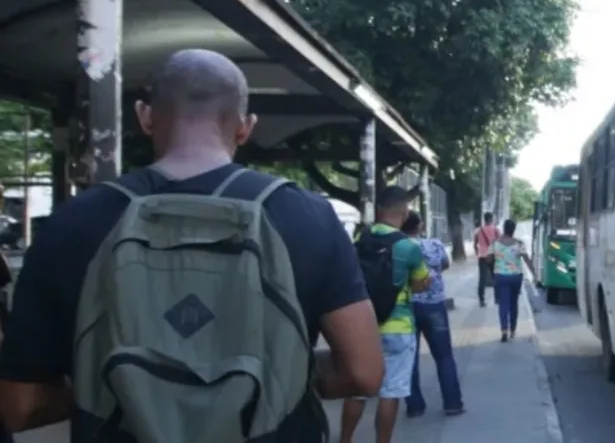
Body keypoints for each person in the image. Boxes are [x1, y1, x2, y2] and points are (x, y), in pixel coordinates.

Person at [0, 49, 384, 439]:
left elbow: (19, 405)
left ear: (145, 116)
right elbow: (364, 372)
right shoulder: (310, 217)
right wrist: (277, 376)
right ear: (245, 127)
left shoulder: (71, 223)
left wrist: (125, 387)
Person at [340, 186, 431, 443]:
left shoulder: (361, 238)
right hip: (398, 326)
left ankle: (344, 440)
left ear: (379, 210)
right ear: (404, 213)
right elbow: (419, 283)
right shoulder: (408, 246)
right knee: (390, 393)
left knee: (358, 390)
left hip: (363, 325)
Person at [400, 211, 465, 418]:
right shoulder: (435, 244)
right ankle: (453, 403)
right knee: (444, 356)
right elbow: (445, 264)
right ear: (419, 226)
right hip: (435, 305)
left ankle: (415, 406)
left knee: (409, 358)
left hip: (408, 307)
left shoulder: (399, 247)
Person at [493, 218, 536, 342]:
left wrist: (496, 264)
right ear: (513, 230)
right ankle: (513, 329)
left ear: (504, 229)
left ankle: (504, 331)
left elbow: (489, 258)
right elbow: (526, 259)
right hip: (515, 277)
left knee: (503, 304)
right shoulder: (519, 243)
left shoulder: (496, 242)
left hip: (500, 276)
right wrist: (534, 273)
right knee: (513, 303)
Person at [473, 212, 500, 307]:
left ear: (484, 219)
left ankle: (481, 300)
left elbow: (475, 245)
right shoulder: (495, 230)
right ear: (491, 219)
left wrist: (478, 253)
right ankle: (497, 299)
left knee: (482, 279)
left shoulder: (478, 230)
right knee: (496, 277)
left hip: (482, 257)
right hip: (492, 256)